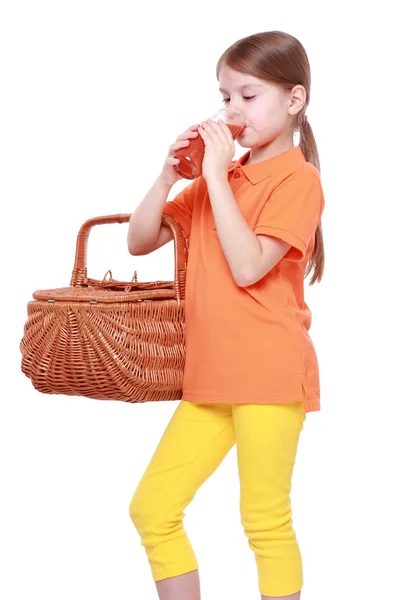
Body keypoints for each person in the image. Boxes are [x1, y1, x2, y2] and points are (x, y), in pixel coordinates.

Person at [127, 30, 325, 600]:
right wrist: (168, 176)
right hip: (209, 377)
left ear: (294, 100)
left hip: (268, 375)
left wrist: (214, 174)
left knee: (264, 522)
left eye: (248, 95)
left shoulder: (298, 179)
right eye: (225, 97)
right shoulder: (226, 179)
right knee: (153, 509)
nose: (232, 110)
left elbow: (248, 267)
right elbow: (140, 241)